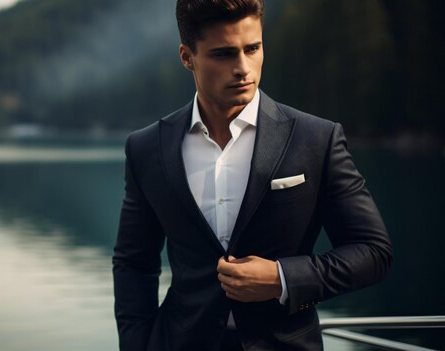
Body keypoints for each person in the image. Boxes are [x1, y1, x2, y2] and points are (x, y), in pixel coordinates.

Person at [112, 0, 393, 350]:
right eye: (224, 54)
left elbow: (373, 252)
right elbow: (134, 263)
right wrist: (137, 343)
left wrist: (282, 278)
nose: (243, 68)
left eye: (253, 48)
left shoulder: (316, 139)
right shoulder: (146, 149)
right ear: (187, 57)